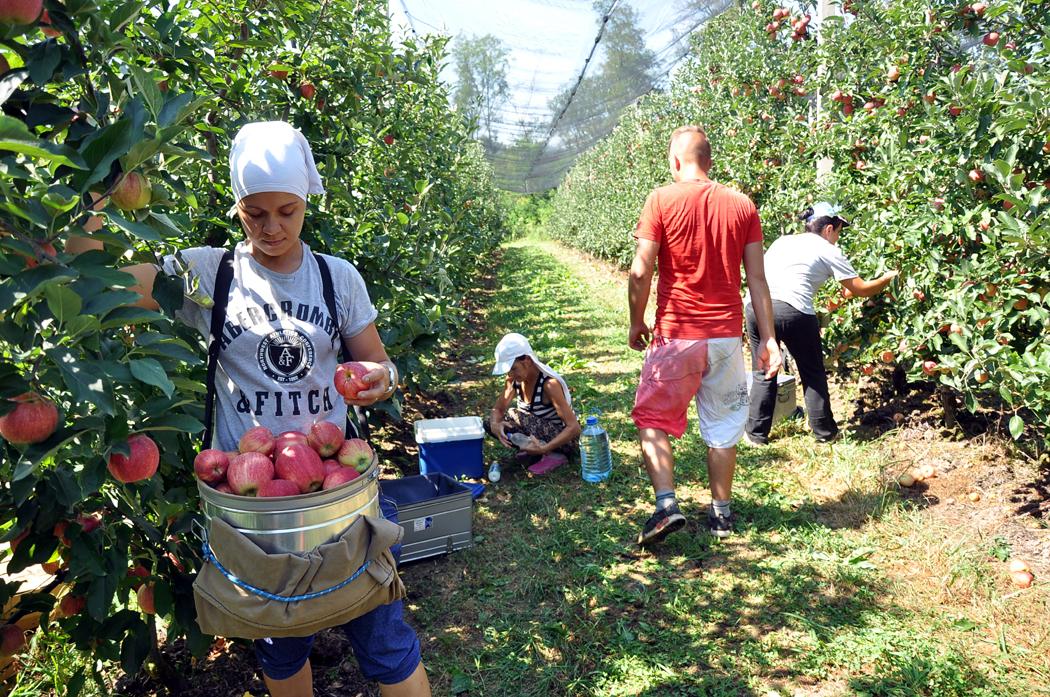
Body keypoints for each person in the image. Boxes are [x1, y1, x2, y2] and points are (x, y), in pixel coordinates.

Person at [68, 122, 431, 697]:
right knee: (278, 646)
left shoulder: (339, 279)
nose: (272, 228)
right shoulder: (208, 274)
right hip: (253, 510)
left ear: (306, 200)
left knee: (383, 636)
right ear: (236, 207)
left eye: (287, 211)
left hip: (335, 495)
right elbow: (94, 285)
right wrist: (94, 188)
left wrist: (377, 380)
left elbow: (381, 366)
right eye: (254, 213)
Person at [628, 125, 781, 544]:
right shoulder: (742, 205)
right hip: (726, 338)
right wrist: (768, 339)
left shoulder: (661, 199)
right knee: (724, 427)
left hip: (677, 334)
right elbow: (758, 280)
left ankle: (666, 506)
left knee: (652, 420)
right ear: (709, 162)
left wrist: (636, 321)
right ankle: (721, 515)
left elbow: (641, 270)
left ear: (675, 161)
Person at [744, 202, 898, 445]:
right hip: (793, 309)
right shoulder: (828, 250)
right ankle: (824, 433)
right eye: (838, 232)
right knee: (812, 372)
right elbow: (861, 289)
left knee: (764, 368)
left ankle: (756, 435)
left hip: (756, 306)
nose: (837, 238)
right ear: (828, 229)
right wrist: (888, 278)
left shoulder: (783, 241)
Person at [486, 333, 581, 475]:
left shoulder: (549, 385)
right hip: (536, 432)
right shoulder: (513, 380)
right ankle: (533, 451)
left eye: (513, 368)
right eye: (508, 370)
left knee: (515, 415)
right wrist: (495, 425)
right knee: (489, 422)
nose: (510, 374)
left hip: (563, 440)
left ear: (527, 360)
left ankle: (553, 454)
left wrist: (545, 447)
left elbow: (574, 428)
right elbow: (498, 409)